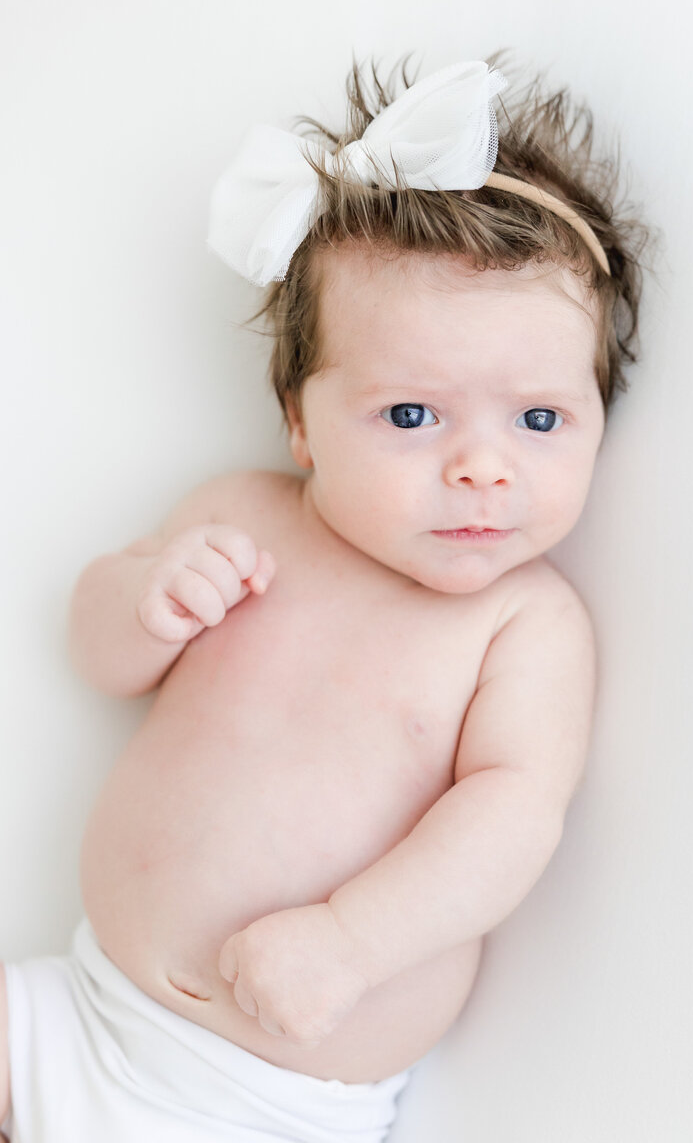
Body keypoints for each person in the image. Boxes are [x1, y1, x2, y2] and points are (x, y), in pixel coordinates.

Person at [0, 58, 647, 1142]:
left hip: (266, 1100)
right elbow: (96, 654)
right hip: (72, 1010)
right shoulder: (242, 515)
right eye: (410, 416)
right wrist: (145, 600)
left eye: (537, 422)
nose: (481, 468)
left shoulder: (521, 627)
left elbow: (507, 818)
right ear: (300, 423)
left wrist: (352, 941)